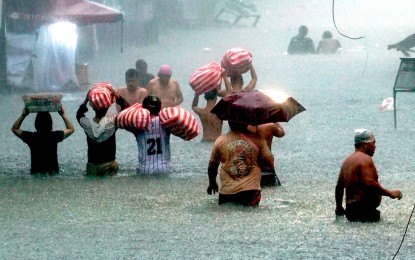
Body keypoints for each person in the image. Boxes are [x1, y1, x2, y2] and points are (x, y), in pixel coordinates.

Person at [335, 129, 403, 222]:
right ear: (364, 144)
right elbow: (369, 183)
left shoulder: (347, 161)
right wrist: (390, 193)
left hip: (350, 213)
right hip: (366, 212)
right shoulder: (365, 159)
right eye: (373, 143)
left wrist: (339, 207)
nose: (375, 146)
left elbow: (339, 187)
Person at [207, 120, 274, 207]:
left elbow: (212, 167)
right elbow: (270, 163)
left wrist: (212, 183)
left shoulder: (220, 141)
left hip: (227, 192)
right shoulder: (257, 139)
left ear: (229, 123)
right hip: (251, 191)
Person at [76, 86, 129, 176]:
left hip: (92, 167)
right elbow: (126, 109)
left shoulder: (86, 124)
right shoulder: (113, 122)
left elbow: (79, 114)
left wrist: (86, 99)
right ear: (108, 106)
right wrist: (117, 95)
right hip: (109, 166)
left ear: (93, 107)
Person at [11, 107, 74, 174]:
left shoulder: (31, 137)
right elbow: (71, 129)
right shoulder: (54, 136)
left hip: (36, 173)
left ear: (36, 124)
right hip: (53, 173)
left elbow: (14, 129)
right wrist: (62, 114)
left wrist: (23, 115)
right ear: (50, 123)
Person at [127, 95, 172, 174]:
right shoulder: (166, 123)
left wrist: (119, 98)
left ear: (144, 109)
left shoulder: (137, 125)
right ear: (159, 108)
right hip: (163, 168)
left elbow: (127, 113)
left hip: (144, 169)